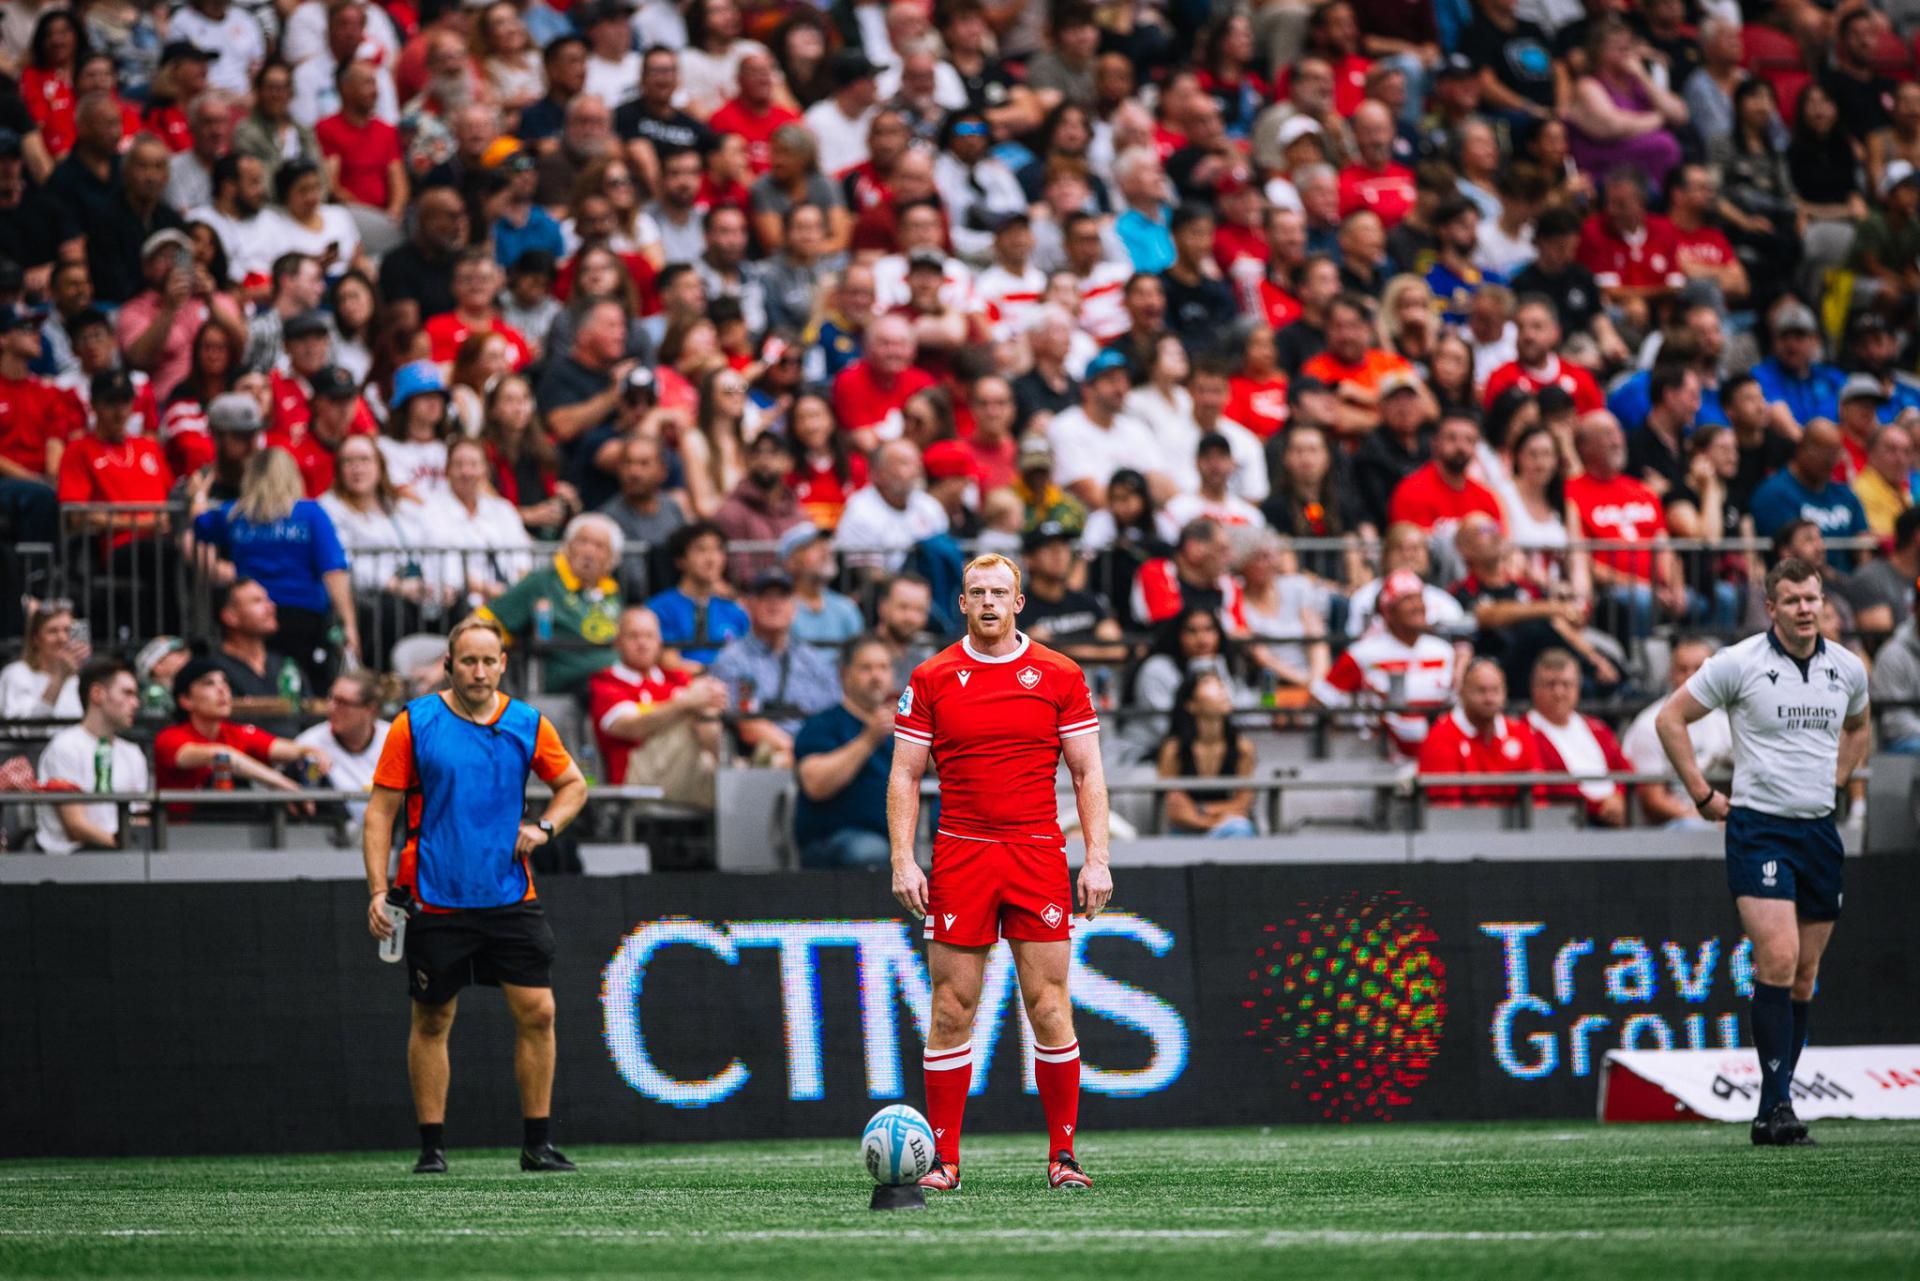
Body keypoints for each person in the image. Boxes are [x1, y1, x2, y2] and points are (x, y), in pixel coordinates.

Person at [889, 552, 1111, 1192]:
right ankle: (944, 1161)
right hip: (960, 853)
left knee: (1049, 1004)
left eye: (999, 592)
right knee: (951, 1007)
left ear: (1019, 601)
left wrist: (1095, 858)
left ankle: (1063, 1157)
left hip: (1037, 850)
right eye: (975, 592)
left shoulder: (1059, 673)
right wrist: (904, 858)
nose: (987, 602)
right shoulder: (931, 677)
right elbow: (904, 774)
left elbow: (1088, 771)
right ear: (961, 603)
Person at [1656, 558, 1872, 1147]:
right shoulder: (1739, 663)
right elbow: (1671, 719)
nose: (1806, 608)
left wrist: (1837, 778)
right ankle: (1775, 1107)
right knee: (1778, 959)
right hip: (1760, 828)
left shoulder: (1848, 668)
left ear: (1823, 602)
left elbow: (1860, 727)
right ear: (1771, 607)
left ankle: (1776, 1101)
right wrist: (1702, 794)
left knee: (1804, 976)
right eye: (1793, 599)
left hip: (1819, 831)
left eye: (1813, 598)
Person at [364, 616, 589, 1176]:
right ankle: (432, 1148)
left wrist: (544, 829)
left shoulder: (527, 722)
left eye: (489, 661)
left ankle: (537, 1144)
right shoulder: (413, 724)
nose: (480, 671)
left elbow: (574, 785)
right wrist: (376, 889)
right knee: (434, 1017)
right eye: (469, 661)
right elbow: (380, 812)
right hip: (433, 895)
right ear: (449, 664)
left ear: (503, 665)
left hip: (509, 894)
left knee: (539, 1012)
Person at [191, 446, 358, 689]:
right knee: (304, 683)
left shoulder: (236, 514)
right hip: (304, 613)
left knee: (261, 680)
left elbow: (200, 526)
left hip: (253, 615)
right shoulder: (310, 514)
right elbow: (333, 570)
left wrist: (198, 496)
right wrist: (348, 624)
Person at [152, 657, 327, 819]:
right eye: (209, 684)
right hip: (180, 837)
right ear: (185, 700)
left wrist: (313, 752)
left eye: (225, 682)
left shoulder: (238, 732)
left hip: (233, 832)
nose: (222, 690)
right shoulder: (170, 738)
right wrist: (285, 786)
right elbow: (223, 756)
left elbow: (291, 749)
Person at [587, 605, 727, 806]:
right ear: (618, 642)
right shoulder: (606, 682)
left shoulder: (676, 679)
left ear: (659, 642)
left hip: (687, 770)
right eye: (633, 636)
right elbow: (631, 727)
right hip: (636, 776)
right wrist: (685, 703)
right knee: (697, 711)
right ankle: (734, 767)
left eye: (649, 636)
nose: (642, 643)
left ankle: (741, 769)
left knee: (706, 709)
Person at [1312, 568, 1459, 758]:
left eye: (1419, 598)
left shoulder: (1443, 651)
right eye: (1407, 600)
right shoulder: (1363, 653)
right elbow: (1321, 700)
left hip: (1437, 755)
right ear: (1388, 611)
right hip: (1376, 759)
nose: (1417, 606)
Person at [475, 513, 624, 696]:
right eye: (582, 542)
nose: (589, 552)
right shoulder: (543, 582)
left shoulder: (612, 590)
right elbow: (486, 623)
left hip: (617, 681)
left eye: (599, 546)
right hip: (573, 686)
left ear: (611, 559)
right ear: (567, 547)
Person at [707, 567, 841, 765]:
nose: (774, 604)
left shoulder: (813, 659)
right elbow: (748, 724)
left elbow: (835, 713)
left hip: (818, 752)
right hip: (766, 754)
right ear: (749, 605)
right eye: (765, 596)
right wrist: (800, 752)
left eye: (782, 597)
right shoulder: (734, 658)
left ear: (793, 607)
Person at [793, 634, 898, 867]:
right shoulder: (822, 725)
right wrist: (868, 740)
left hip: (897, 840)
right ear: (844, 675)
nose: (876, 676)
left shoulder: (900, 727)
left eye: (883, 667)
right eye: (866, 668)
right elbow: (815, 784)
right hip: (834, 841)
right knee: (871, 852)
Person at [34, 657, 147, 852]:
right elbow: (75, 827)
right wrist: (125, 845)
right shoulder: (64, 747)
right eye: (127, 693)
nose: (135, 703)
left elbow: (143, 817)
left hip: (125, 857)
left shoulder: (133, 753)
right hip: (73, 863)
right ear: (97, 694)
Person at [1621, 635, 1734, 825]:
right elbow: (1652, 802)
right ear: (1670, 674)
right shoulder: (1649, 724)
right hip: (1670, 827)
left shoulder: (1725, 722)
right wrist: (1708, 820)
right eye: (1682, 669)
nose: (1691, 676)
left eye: (1699, 668)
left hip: (1720, 818)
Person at [1525, 647, 1633, 827]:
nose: (1559, 693)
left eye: (1566, 685)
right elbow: (1551, 787)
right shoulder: (1525, 731)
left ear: (1577, 687)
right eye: (1551, 684)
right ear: (1535, 688)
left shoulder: (1596, 728)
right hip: (1566, 825)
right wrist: (1598, 806)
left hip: (1615, 816)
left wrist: (1618, 797)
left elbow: (1625, 769)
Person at [1416, 657, 1541, 807]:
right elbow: (1446, 810)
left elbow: (1538, 797)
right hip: (1464, 827)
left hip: (1515, 827)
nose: (1489, 698)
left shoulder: (1520, 732)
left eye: (1495, 690)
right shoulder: (1439, 738)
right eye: (1481, 690)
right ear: (1463, 692)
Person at [1156, 668, 1258, 837]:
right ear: (1191, 704)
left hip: (1229, 828)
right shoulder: (1174, 750)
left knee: (1240, 830)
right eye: (1208, 683)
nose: (1222, 690)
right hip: (1185, 832)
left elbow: (1242, 805)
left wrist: (1203, 809)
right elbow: (1175, 810)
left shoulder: (1243, 748)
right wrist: (1213, 822)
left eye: (1222, 684)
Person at [834, 439, 948, 574]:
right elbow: (870, 576)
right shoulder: (860, 510)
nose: (916, 470)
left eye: (917, 463)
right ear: (878, 474)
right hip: (882, 591)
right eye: (905, 463)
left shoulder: (929, 506)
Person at [646, 521, 749, 666]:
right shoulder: (658, 608)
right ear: (680, 560)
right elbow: (664, 658)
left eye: (718, 550)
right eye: (701, 550)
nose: (711, 559)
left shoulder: (735, 610)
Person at [295, 670, 391, 822]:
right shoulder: (309, 743)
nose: (331, 708)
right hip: (336, 835)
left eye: (342, 703)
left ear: (370, 709)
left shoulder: (397, 738)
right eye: (330, 698)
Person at [0, 599, 87, 720]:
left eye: (67, 630)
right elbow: (25, 730)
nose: (62, 638)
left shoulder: (75, 681)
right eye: (52, 631)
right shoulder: (17, 673)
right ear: (36, 639)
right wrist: (58, 678)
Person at [781, 523, 863, 651]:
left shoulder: (846, 608)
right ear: (791, 562)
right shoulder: (778, 611)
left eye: (826, 544)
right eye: (814, 547)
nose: (826, 550)